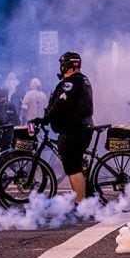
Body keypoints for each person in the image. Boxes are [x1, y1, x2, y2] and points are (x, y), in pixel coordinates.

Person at [41, 52, 94, 203]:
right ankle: (87, 196)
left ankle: (80, 204)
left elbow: (60, 104)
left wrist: (45, 119)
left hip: (75, 130)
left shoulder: (70, 82)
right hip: (83, 127)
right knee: (77, 163)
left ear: (65, 65)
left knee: (72, 168)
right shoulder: (83, 79)